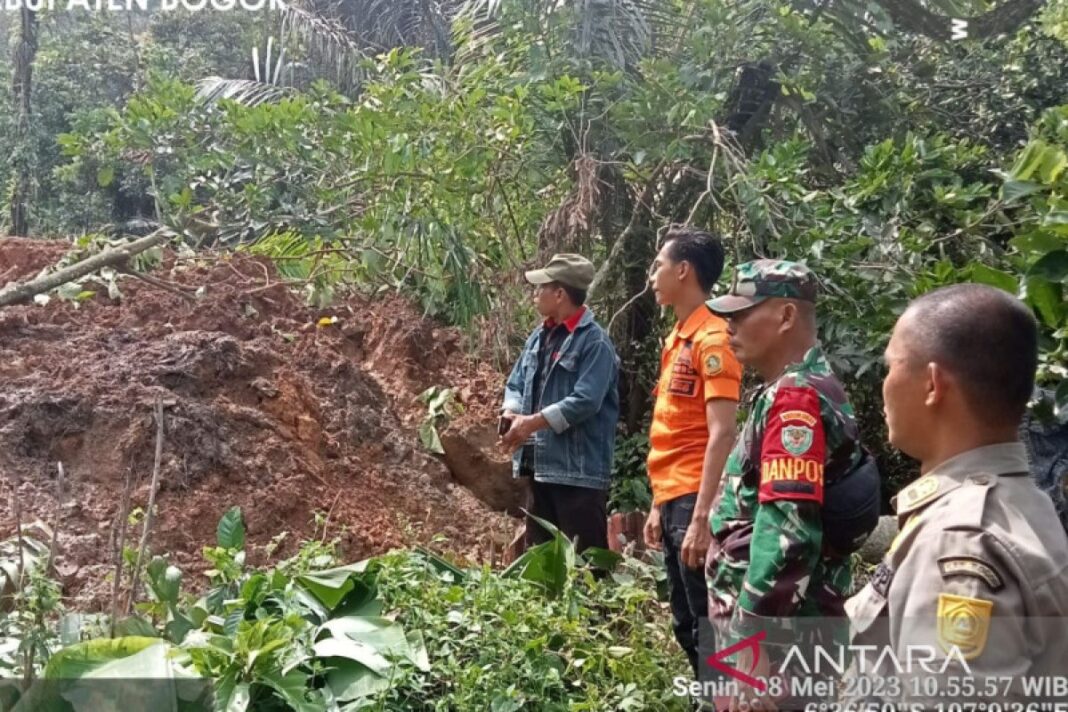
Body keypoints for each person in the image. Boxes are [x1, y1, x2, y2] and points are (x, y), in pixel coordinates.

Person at [845, 284, 1068, 705]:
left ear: (932, 384)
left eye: (891, 367)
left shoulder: (961, 540)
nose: (885, 385)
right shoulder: (1025, 504)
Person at [705, 260, 867, 710]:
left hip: (780, 644)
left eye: (742, 313)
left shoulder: (796, 398)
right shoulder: (801, 387)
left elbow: (787, 533)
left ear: (787, 316)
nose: (730, 326)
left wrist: (753, 646)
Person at [644, 228, 742, 679]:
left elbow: (722, 432)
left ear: (683, 271)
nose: (652, 276)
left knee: (708, 623)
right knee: (685, 622)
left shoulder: (714, 338)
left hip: (694, 499)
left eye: (658, 266)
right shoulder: (679, 337)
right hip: (673, 497)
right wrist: (656, 505)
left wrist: (702, 518)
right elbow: (673, 429)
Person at [500, 253, 620, 553]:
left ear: (560, 294)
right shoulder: (538, 338)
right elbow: (515, 382)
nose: (535, 295)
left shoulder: (595, 343)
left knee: (585, 566)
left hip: (578, 476)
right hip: (540, 468)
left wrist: (531, 424)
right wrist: (511, 411)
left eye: (541, 288)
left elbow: (585, 401)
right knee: (540, 563)